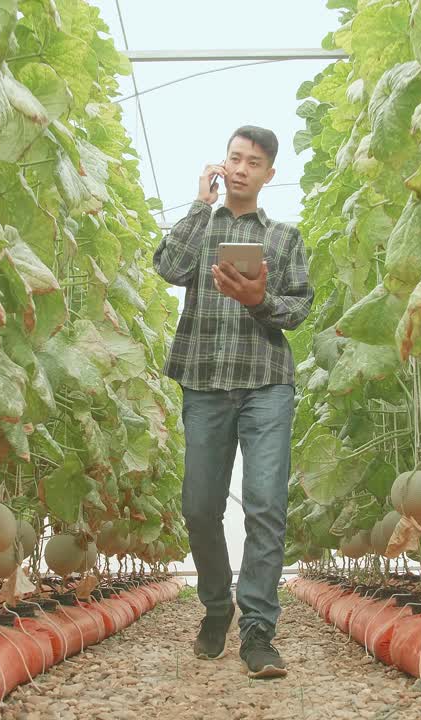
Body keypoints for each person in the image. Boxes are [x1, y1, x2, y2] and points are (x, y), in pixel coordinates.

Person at [153, 126, 314, 679]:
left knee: (266, 504)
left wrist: (259, 299)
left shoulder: (285, 237)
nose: (242, 168)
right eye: (234, 158)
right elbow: (167, 267)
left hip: (267, 383)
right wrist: (200, 203)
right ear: (224, 166)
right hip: (204, 380)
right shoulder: (201, 227)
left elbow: (298, 310)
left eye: (254, 162)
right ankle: (217, 606)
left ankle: (259, 631)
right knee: (199, 507)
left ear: (269, 174)